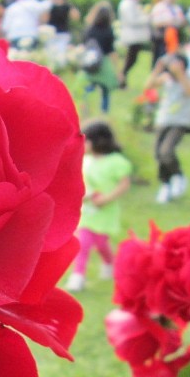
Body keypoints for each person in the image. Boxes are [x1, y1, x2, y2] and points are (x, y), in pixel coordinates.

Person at [64, 121, 132, 292]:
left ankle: (109, 263)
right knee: (83, 242)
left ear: (97, 141)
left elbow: (124, 184)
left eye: (85, 140)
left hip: (104, 211)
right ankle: (78, 276)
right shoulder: (86, 161)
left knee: (101, 243)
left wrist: (106, 198)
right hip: (87, 210)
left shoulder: (115, 162)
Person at [145, 52, 190, 203]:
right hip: (164, 119)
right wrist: (158, 69)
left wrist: (180, 74)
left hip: (180, 121)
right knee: (158, 153)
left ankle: (178, 176)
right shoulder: (166, 79)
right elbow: (148, 86)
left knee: (166, 150)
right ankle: (166, 184)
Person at [81, 1, 121, 113]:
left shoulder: (89, 30)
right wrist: (117, 69)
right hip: (104, 63)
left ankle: (84, 106)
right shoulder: (108, 31)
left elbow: (84, 45)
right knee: (105, 89)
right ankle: (104, 110)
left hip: (91, 61)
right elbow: (111, 51)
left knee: (89, 87)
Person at [117, 0, 151, 88]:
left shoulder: (132, 4)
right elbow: (132, 20)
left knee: (132, 59)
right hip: (132, 35)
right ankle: (121, 79)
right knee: (131, 59)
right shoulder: (128, 4)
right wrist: (146, 18)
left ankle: (122, 79)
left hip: (135, 35)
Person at [150, 0, 185, 65]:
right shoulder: (159, 7)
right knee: (160, 57)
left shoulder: (176, 8)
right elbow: (155, 22)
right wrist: (169, 22)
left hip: (174, 34)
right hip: (162, 36)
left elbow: (182, 20)